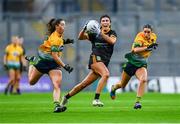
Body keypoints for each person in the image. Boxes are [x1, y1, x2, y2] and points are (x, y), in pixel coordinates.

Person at [60, 14, 117, 109]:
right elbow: (80, 37)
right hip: (95, 59)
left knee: (83, 84)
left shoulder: (112, 33)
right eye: (103, 21)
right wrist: (84, 28)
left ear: (110, 23)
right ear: (100, 23)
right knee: (106, 74)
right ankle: (96, 99)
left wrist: (100, 32)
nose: (105, 22)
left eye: (107, 20)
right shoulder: (94, 34)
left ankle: (66, 97)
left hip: (104, 62)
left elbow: (112, 41)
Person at [25, 18, 73, 113]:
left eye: (64, 24)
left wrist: (65, 41)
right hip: (43, 62)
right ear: (57, 26)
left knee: (57, 85)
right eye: (62, 25)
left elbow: (57, 42)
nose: (64, 26)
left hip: (54, 65)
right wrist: (65, 66)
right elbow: (55, 56)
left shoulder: (57, 36)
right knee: (31, 82)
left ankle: (57, 105)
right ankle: (32, 62)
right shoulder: (55, 38)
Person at [110, 24, 158, 109]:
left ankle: (137, 102)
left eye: (148, 32)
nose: (146, 33)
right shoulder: (139, 37)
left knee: (143, 80)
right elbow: (135, 50)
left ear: (151, 32)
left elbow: (150, 47)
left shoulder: (154, 37)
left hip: (142, 63)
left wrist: (150, 47)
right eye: (145, 31)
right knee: (122, 85)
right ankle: (114, 88)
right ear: (142, 31)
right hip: (131, 63)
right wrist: (147, 48)